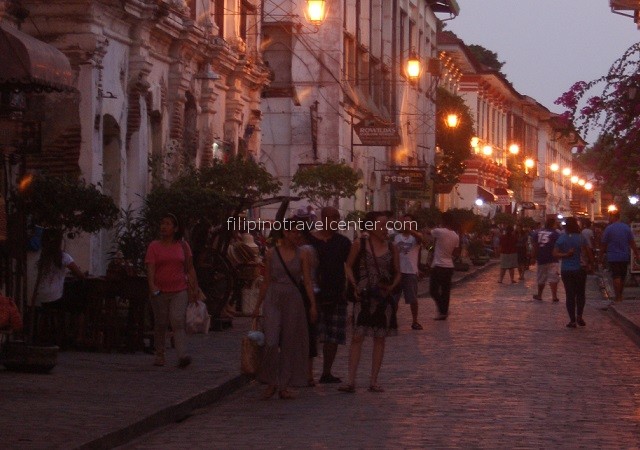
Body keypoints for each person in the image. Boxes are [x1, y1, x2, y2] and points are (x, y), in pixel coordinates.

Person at [253, 220, 318, 400]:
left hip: (293, 298)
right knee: (271, 340)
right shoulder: (271, 254)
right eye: (295, 232)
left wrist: (312, 305)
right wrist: (258, 305)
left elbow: (307, 281)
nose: (297, 236)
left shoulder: (303, 254)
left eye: (299, 233)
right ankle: (271, 380)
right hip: (274, 297)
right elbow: (266, 281)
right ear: (286, 233)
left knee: (290, 342)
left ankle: (283, 384)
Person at [339, 211, 400, 393]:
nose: (384, 229)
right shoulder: (360, 244)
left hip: (382, 297)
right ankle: (351, 380)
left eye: (386, 225)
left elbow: (398, 272)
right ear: (371, 227)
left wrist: (391, 287)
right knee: (357, 336)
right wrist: (354, 284)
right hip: (364, 295)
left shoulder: (392, 247)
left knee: (379, 338)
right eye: (381, 225)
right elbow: (348, 266)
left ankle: (374, 380)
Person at [146, 213, 199, 368]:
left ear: (175, 228)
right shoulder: (154, 246)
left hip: (179, 290)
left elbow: (189, 268)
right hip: (159, 291)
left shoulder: (183, 246)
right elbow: (150, 267)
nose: (164, 227)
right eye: (162, 223)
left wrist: (194, 287)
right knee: (160, 323)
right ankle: (160, 354)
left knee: (177, 320)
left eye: (168, 224)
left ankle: (182, 354)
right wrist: (152, 285)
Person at [308, 206, 352, 384]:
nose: (336, 221)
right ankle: (308, 372)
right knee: (311, 334)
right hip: (314, 294)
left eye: (337, 217)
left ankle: (326, 372)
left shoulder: (343, 242)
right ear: (323, 218)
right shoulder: (310, 241)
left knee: (333, 336)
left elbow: (349, 266)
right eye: (332, 217)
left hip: (336, 294)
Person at [31, 228, 85, 346]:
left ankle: (53, 333)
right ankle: (77, 338)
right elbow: (79, 275)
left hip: (42, 297)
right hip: (56, 298)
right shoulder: (64, 257)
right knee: (80, 308)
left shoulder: (43, 257)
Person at [553, 217, 594, 328]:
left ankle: (572, 320)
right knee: (580, 293)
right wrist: (592, 264)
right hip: (580, 269)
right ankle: (579, 315)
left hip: (566, 270)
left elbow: (555, 253)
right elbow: (589, 252)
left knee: (569, 295)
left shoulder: (562, 238)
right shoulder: (581, 238)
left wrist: (565, 255)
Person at [426, 211, 460, 320]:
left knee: (433, 290)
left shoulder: (439, 231)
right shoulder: (455, 235)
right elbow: (455, 252)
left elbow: (427, 233)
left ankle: (442, 309)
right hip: (449, 265)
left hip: (438, 265)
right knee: (446, 291)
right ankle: (443, 311)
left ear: (443, 221)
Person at [601, 210, 640, 302]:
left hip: (613, 256)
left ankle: (618, 296)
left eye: (610, 217)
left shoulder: (609, 229)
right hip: (624, 256)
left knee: (616, 276)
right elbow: (632, 242)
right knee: (622, 276)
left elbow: (603, 244)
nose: (609, 219)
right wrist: (637, 254)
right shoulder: (626, 228)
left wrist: (600, 256)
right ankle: (620, 295)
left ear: (613, 217)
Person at [393, 213, 424, 330]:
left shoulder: (415, 238)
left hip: (411, 272)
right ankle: (392, 320)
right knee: (394, 298)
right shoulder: (397, 238)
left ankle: (415, 321)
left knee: (413, 298)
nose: (406, 223)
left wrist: (411, 230)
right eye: (404, 221)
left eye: (409, 221)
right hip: (399, 272)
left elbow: (421, 239)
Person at [532, 217, 561, 302]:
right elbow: (558, 246)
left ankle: (539, 295)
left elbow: (535, 246)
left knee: (541, 277)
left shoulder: (537, 233)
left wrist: (533, 257)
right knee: (553, 277)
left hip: (541, 257)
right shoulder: (556, 234)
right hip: (553, 258)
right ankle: (554, 296)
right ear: (553, 224)